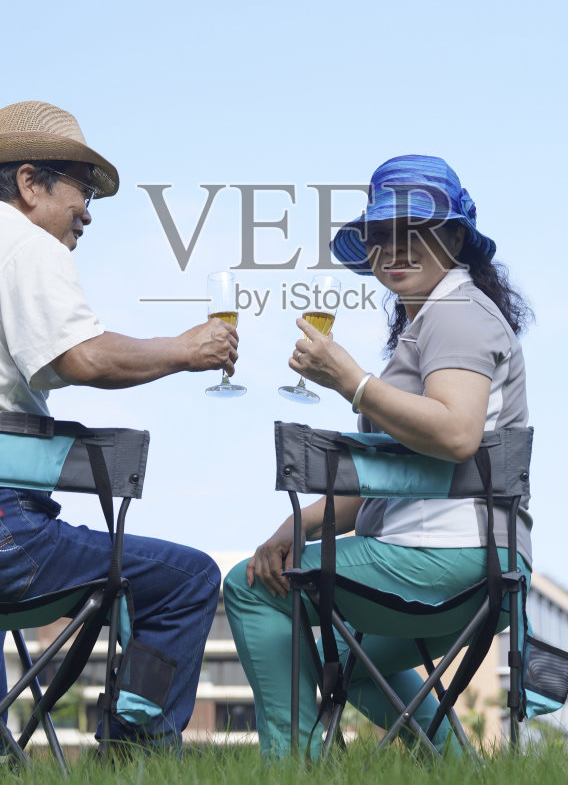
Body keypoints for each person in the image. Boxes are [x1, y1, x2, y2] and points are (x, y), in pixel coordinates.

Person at [0, 100, 234, 754]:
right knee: (187, 577)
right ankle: (134, 751)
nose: (87, 210)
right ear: (30, 182)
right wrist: (185, 349)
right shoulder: (24, 242)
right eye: (82, 189)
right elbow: (79, 357)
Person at [222, 154, 534, 757]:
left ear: (455, 238)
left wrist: (352, 382)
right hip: (474, 562)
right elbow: (396, 476)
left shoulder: (456, 316)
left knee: (250, 587)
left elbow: (456, 434)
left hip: (442, 559)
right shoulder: (435, 320)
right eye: (381, 234)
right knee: (354, 665)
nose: (394, 248)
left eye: (414, 233)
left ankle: (291, 769)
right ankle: (459, 769)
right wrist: (294, 527)